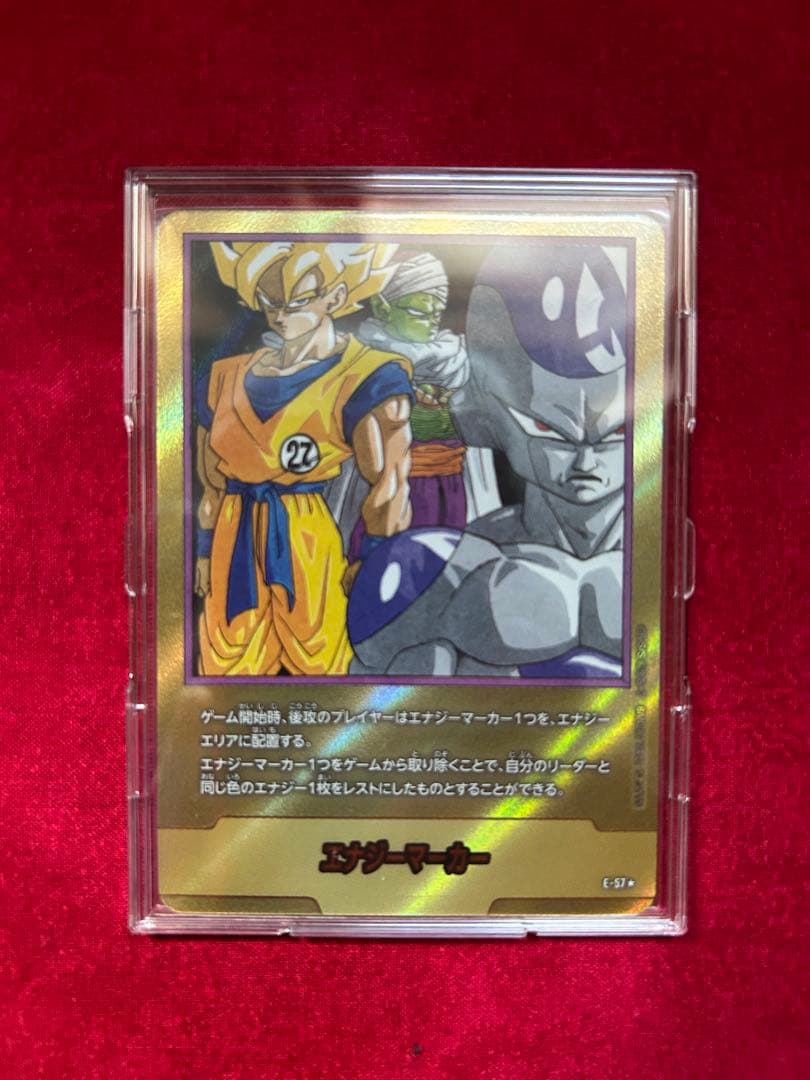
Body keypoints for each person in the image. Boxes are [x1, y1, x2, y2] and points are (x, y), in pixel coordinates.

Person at [346, 239, 629, 679]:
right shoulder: (441, 574)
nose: (585, 464)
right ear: (480, 413)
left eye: (617, 433)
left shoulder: (660, 556)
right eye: (549, 430)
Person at [195, 241, 414, 677]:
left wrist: (374, 557)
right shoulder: (225, 377)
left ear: (335, 296)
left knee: (321, 661)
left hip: (305, 539)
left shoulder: (367, 375)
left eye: (297, 301)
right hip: (231, 540)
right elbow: (212, 483)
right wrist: (203, 551)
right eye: (269, 301)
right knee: (224, 666)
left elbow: (389, 482)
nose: (280, 314)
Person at [326, 252, 499, 559]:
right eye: (419, 312)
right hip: (384, 493)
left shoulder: (456, 360)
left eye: (438, 312)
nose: (432, 322)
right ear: (383, 306)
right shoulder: (360, 361)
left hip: (453, 487)